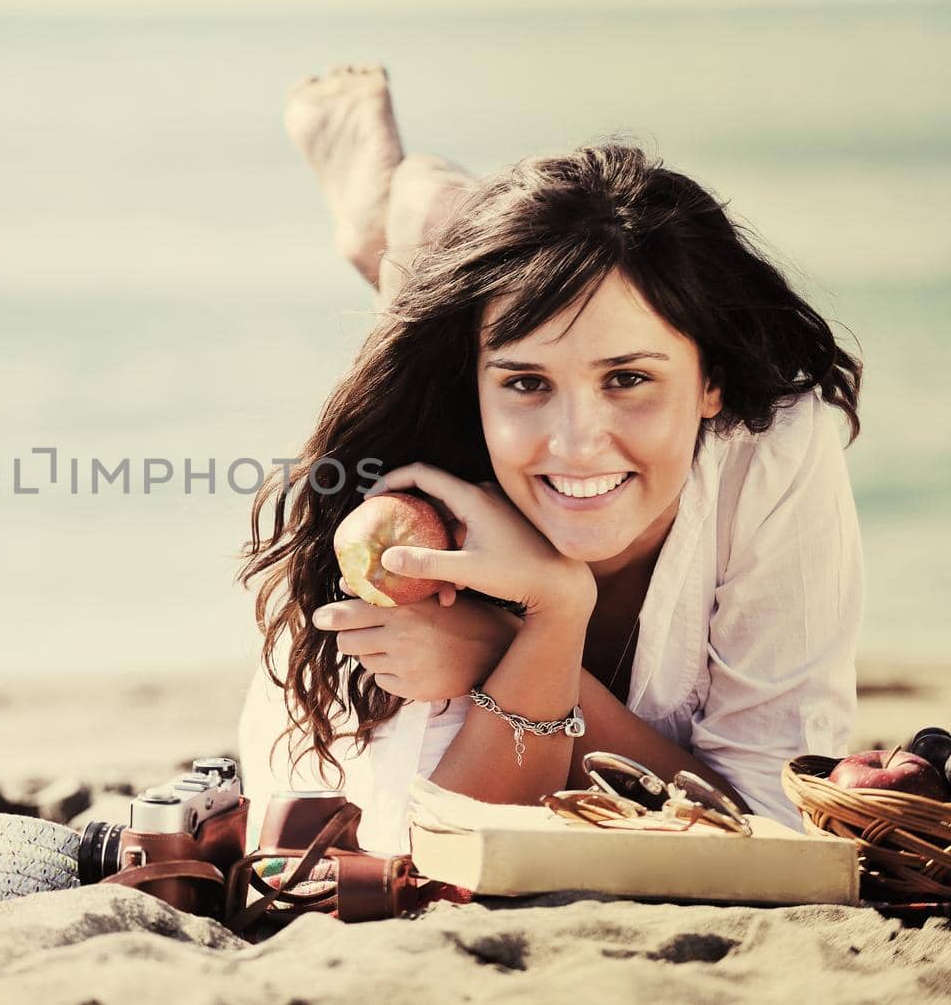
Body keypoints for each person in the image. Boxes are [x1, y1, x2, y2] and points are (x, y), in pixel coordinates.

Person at [237, 65, 864, 853]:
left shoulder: (770, 445)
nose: (576, 442)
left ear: (713, 382)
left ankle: (415, 243)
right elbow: (432, 850)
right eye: (526, 382)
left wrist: (521, 645)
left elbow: (776, 826)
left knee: (534, 302)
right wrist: (554, 619)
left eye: (629, 378)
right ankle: (410, 253)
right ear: (476, 387)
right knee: (458, 318)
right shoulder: (406, 514)